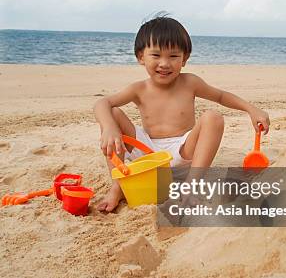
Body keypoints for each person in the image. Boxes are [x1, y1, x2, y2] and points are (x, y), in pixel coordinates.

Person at [94, 15, 270, 212]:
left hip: (183, 151)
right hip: (148, 153)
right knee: (113, 113)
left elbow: (220, 96)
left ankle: (191, 186)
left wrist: (251, 109)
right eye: (156, 55)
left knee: (213, 117)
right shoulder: (138, 89)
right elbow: (102, 103)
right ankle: (117, 186)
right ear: (141, 57)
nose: (164, 63)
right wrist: (110, 127)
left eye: (173, 56)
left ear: (184, 59)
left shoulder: (190, 83)